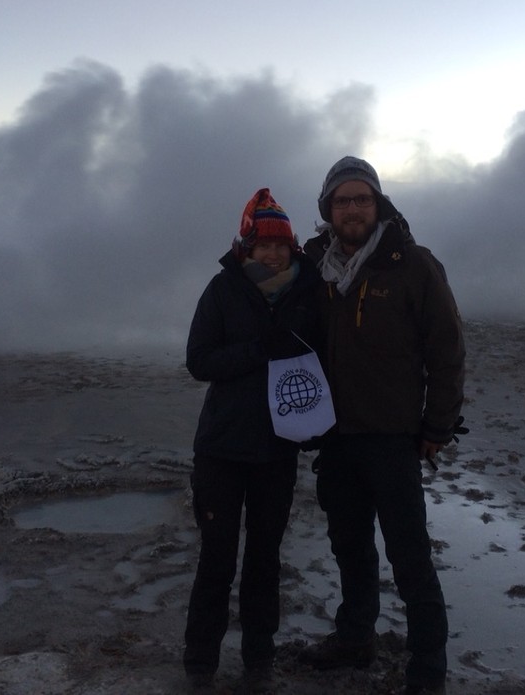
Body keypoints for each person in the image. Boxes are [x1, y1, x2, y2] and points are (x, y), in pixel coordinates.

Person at [299, 157, 466, 695]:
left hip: (393, 436)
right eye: (341, 200)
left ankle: (427, 668)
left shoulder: (413, 264)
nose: (352, 208)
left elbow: (447, 350)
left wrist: (437, 425)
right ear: (327, 209)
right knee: (349, 546)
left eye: (361, 199)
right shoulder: (313, 267)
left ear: (378, 204)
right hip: (336, 437)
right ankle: (355, 639)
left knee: (409, 554)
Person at [183, 188, 321, 692]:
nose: (273, 253)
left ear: (293, 247)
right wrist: (259, 349)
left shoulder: (306, 293)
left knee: (265, 556)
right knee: (216, 557)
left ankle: (259, 657)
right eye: (263, 244)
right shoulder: (222, 290)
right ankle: (200, 661)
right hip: (222, 447)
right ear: (246, 246)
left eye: (281, 244)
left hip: (277, 449)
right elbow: (200, 361)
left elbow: (322, 360)